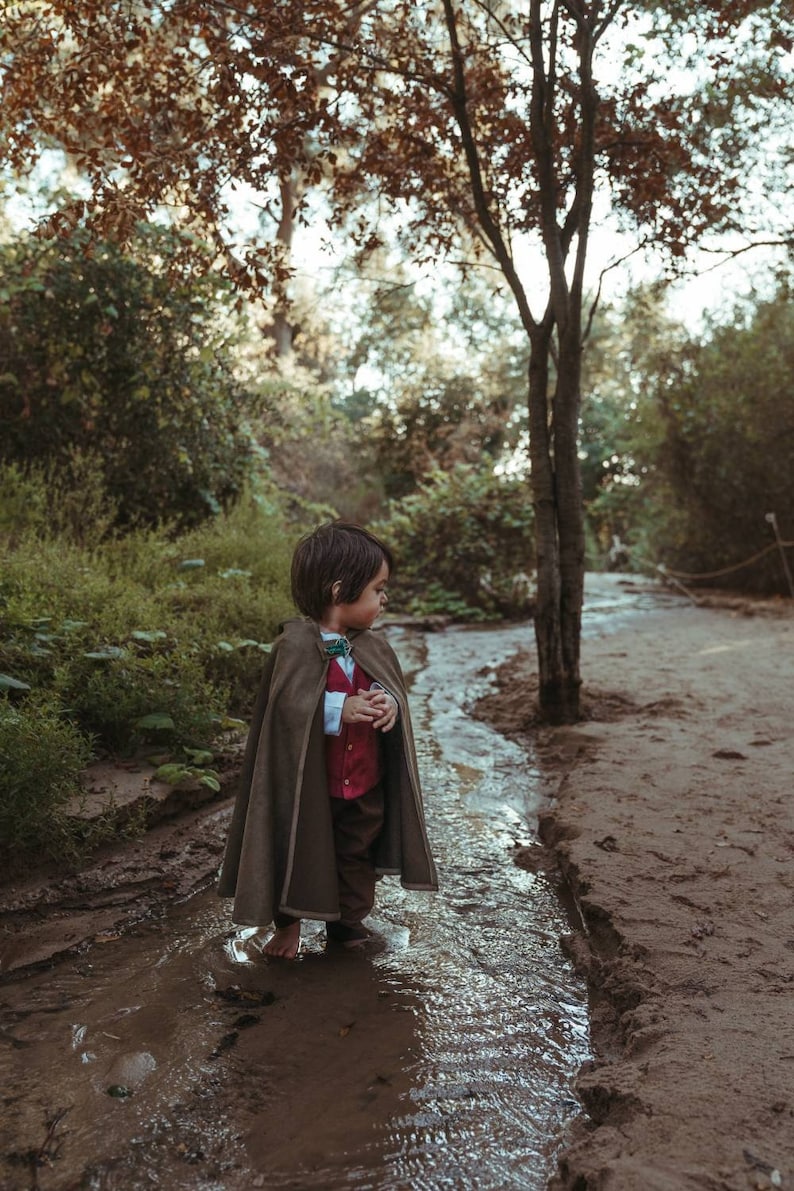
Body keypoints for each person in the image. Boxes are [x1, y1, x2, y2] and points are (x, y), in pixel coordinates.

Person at [217, 521, 438, 958]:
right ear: (340, 591)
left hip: (363, 781)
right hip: (310, 787)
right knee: (296, 846)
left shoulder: (372, 645)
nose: (384, 599)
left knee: (356, 855)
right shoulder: (293, 646)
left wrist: (388, 702)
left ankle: (347, 923)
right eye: (377, 589)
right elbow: (286, 711)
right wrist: (339, 709)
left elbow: (389, 688)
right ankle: (289, 926)